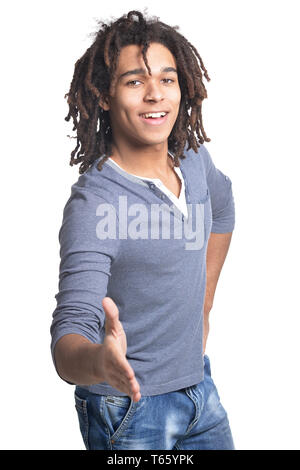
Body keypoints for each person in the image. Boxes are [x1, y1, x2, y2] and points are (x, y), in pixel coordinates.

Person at [50, 9, 236, 450]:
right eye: (135, 81)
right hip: (128, 411)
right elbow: (68, 337)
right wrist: (99, 362)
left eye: (167, 80)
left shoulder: (194, 160)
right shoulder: (95, 204)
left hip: (199, 391)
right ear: (104, 97)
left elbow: (224, 211)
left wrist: (204, 300)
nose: (155, 95)